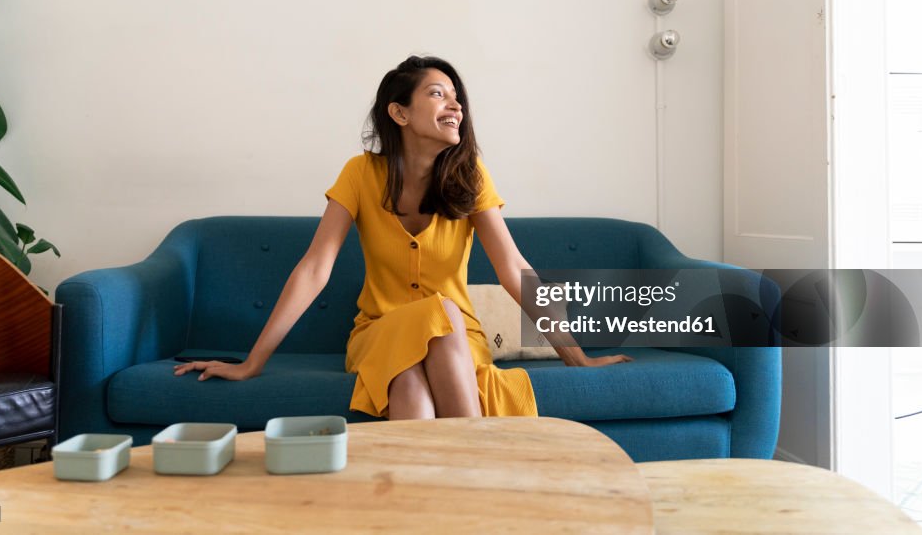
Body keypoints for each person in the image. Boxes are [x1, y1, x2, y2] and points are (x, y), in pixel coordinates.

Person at [174, 55, 632, 419]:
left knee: (414, 379)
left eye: (457, 98)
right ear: (399, 112)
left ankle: (426, 508)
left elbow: (513, 268)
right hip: (379, 332)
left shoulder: (471, 178)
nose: (455, 105)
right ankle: (480, 478)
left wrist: (578, 359)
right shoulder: (360, 174)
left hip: (457, 338)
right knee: (436, 316)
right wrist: (253, 362)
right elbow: (315, 268)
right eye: (438, 94)